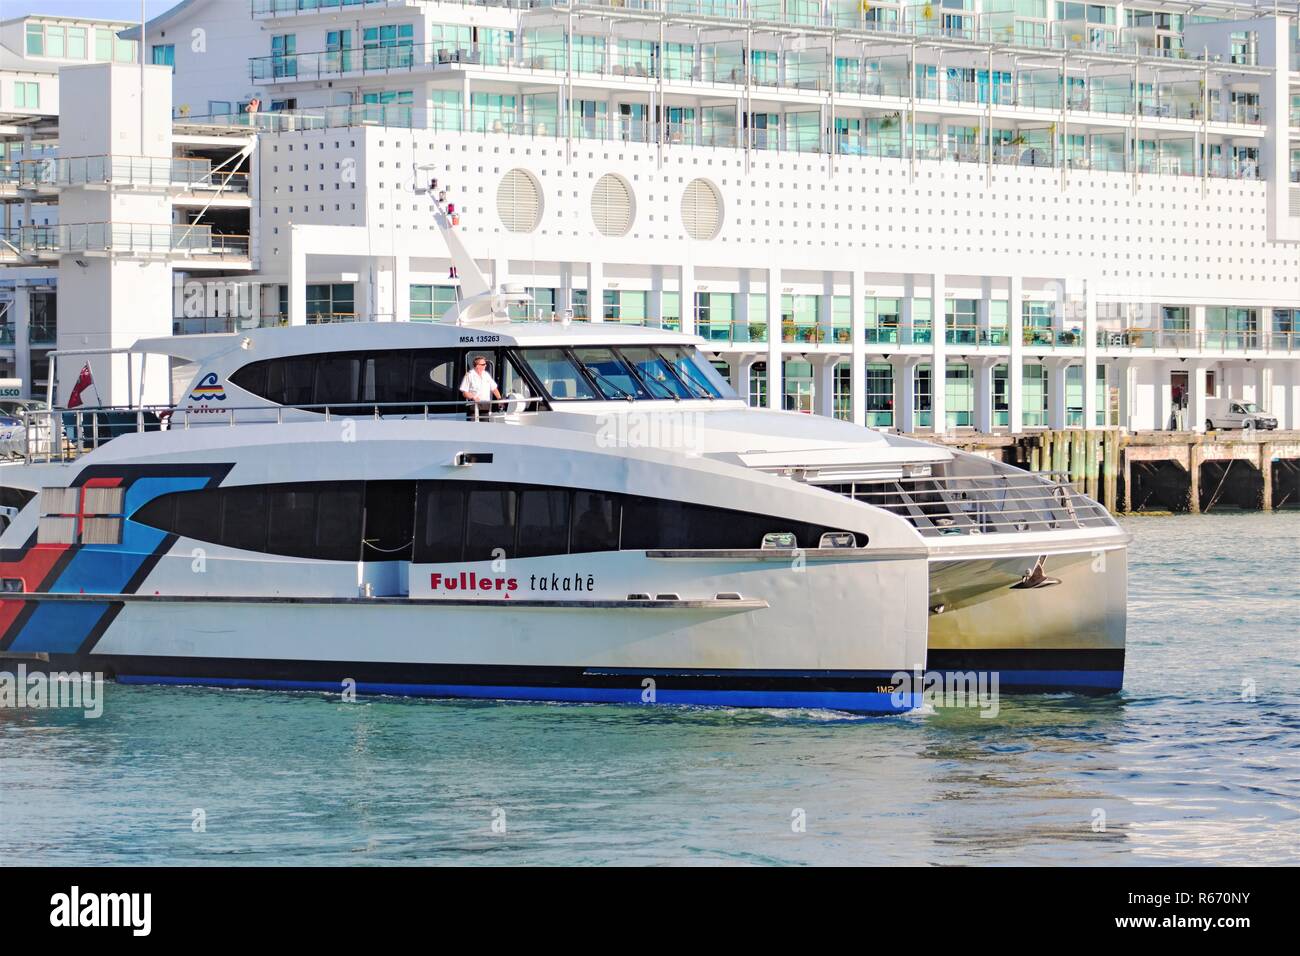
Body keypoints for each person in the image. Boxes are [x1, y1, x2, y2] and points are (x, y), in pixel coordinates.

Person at [460, 355, 501, 420]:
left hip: (485, 405)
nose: (485, 365)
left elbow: (494, 389)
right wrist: (473, 397)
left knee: (484, 427)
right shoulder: (469, 375)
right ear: (477, 365)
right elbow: (464, 393)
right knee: (473, 427)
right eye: (483, 364)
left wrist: (499, 400)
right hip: (473, 405)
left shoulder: (486, 375)